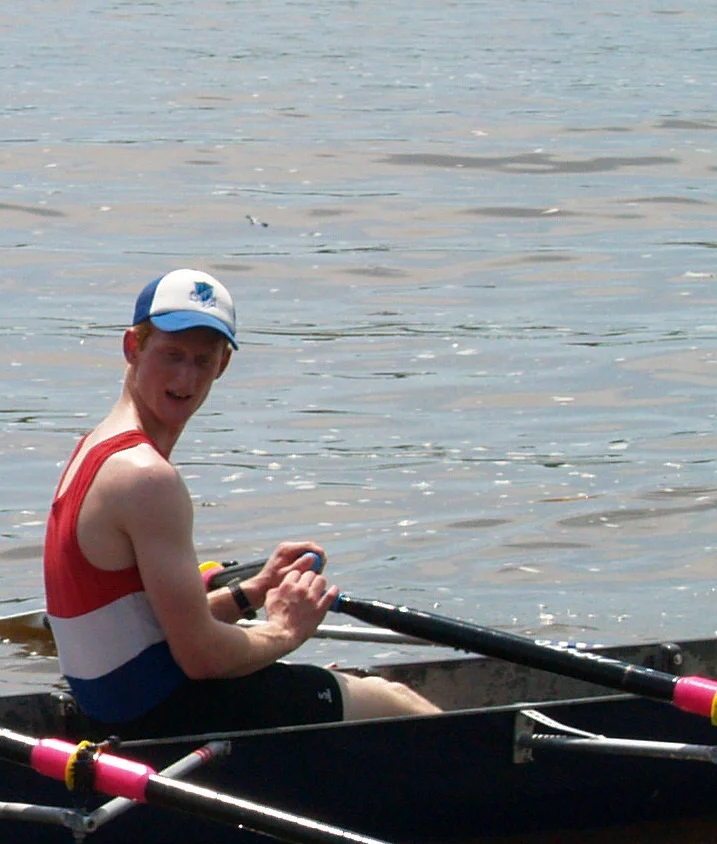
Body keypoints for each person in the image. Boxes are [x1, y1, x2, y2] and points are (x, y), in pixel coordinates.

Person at [46, 269, 438, 736]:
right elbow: (201, 656)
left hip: (120, 708)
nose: (186, 378)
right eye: (172, 356)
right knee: (393, 699)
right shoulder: (148, 478)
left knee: (341, 684)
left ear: (223, 365)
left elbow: (142, 628)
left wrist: (252, 591)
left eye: (203, 360)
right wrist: (286, 630)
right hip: (166, 714)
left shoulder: (95, 448)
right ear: (133, 347)